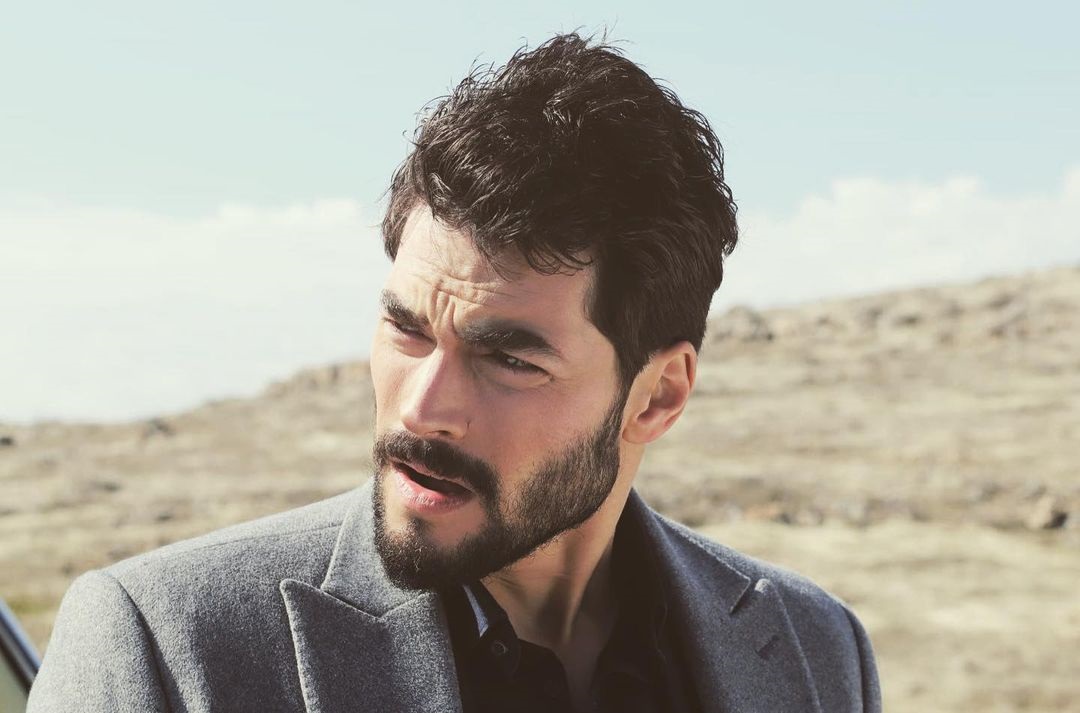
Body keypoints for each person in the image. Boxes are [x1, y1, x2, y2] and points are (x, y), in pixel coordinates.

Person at [28, 33, 881, 713]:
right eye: (406, 328)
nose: (424, 408)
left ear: (656, 397)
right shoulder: (165, 647)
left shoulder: (815, 648)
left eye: (509, 358)